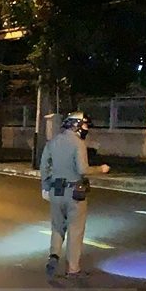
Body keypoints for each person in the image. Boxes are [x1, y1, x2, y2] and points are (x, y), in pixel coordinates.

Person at [40, 111, 110, 281]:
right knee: (75, 231)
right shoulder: (78, 144)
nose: (86, 129)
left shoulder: (53, 141)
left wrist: (45, 187)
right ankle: (73, 269)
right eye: (85, 125)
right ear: (76, 125)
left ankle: (54, 256)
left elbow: (44, 166)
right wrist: (100, 169)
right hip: (74, 193)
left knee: (57, 227)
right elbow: (82, 170)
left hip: (56, 191)